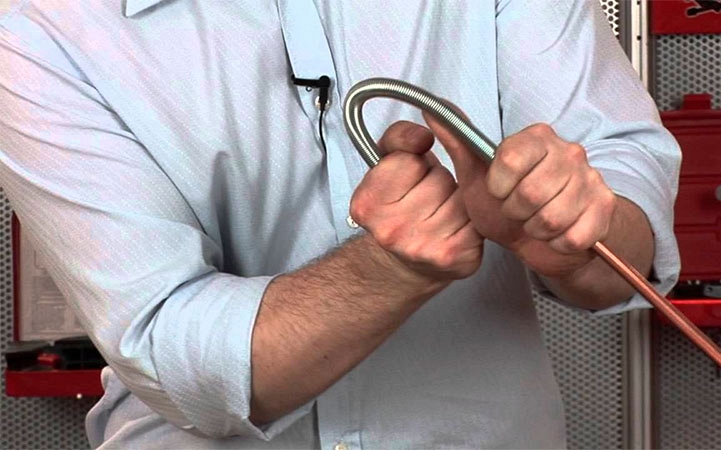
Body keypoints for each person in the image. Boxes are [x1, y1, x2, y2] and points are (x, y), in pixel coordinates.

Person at [0, 0, 680, 448]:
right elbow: (168, 349)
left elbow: (625, 206)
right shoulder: (39, 29)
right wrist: (387, 271)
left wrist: (571, 236)